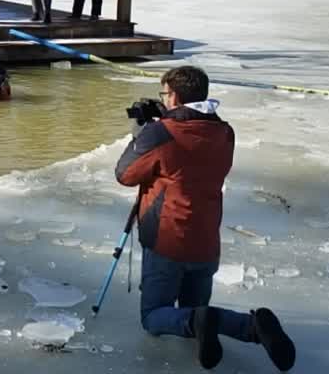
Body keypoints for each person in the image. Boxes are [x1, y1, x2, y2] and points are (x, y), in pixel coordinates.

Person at [116, 66, 296, 372]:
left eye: (165, 94)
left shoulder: (162, 133)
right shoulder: (224, 132)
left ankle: (205, 323)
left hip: (167, 238)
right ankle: (253, 328)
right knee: (198, 312)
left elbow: (125, 174)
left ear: (173, 95)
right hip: (205, 241)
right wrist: (165, 119)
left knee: (155, 316)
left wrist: (142, 132)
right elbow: (191, 150)